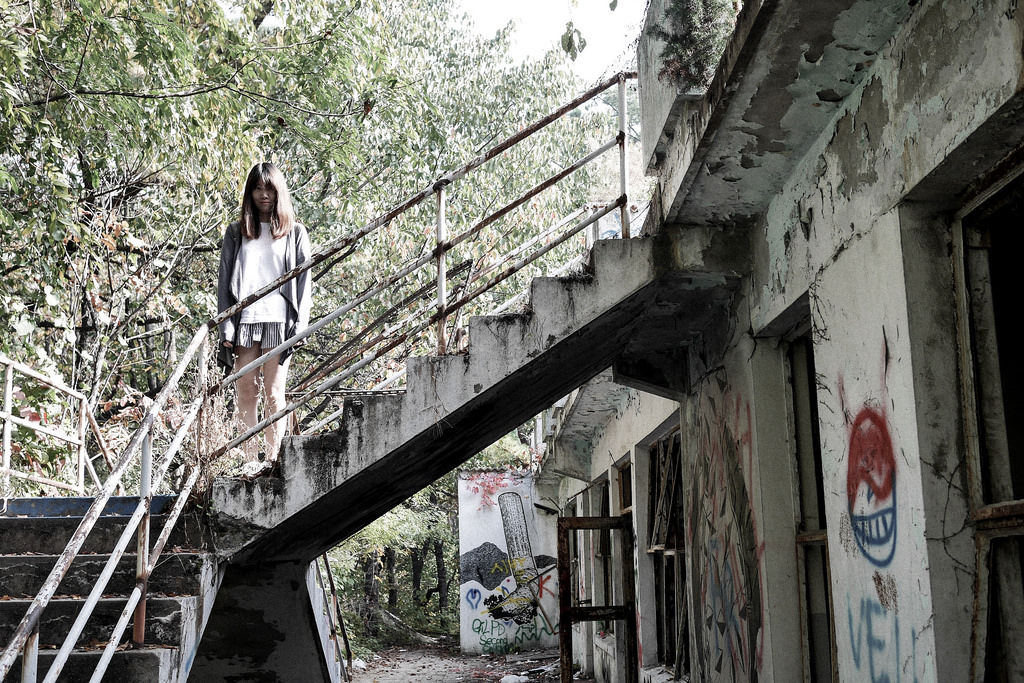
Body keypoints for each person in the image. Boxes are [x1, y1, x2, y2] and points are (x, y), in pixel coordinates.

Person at [217, 162, 311, 476]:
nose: (264, 195)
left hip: (280, 321)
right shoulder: (236, 232)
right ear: (250, 193)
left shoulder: (295, 232)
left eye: (269, 188)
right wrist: (226, 327)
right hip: (245, 320)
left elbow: (304, 284)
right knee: (246, 392)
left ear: (278, 191)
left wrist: (300, 327)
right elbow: (224, 283)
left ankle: (272, 461)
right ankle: (249, 462)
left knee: (273, 393)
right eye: (257, 188)